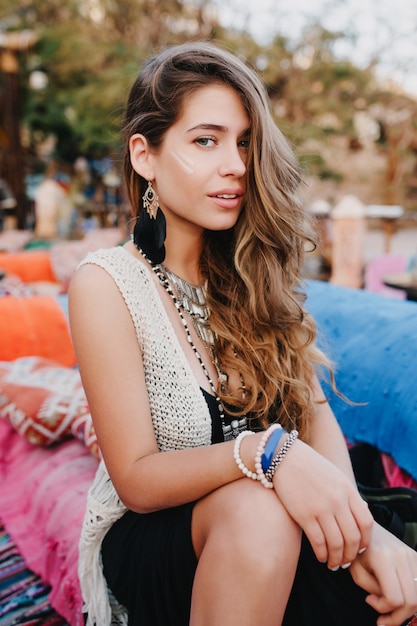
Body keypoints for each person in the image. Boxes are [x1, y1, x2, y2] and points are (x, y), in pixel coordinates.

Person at [68, 41, 417, 626]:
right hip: (163, 539)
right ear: (144, 155)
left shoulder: (255, 274)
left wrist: (365, 535)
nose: (235, 163)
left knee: (393, 574)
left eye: (245, 142)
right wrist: (266, 453)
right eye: (205, 140)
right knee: (259, 510)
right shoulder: (107, 283)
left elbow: (313, 410)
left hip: (280, 521)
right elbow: (136, 478)